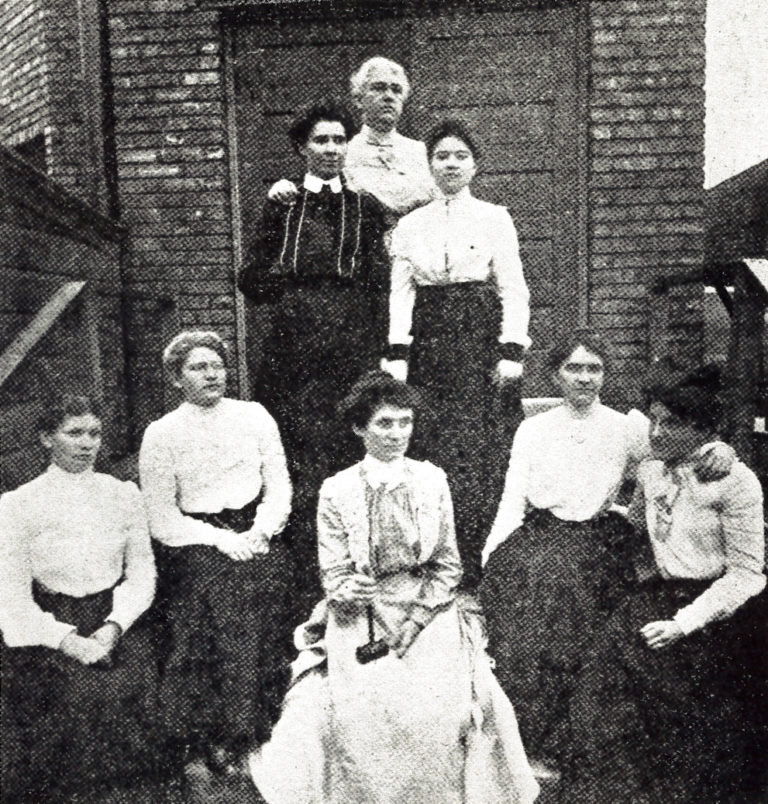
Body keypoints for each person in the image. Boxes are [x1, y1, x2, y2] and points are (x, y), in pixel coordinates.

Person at [249, 371, 539, 804]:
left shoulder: (431, 480)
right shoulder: (336, 490)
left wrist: (418, 621)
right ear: (359, 428)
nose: (397, 433)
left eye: (405, 422)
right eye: (385, 423)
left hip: (427, 607)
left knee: (439, 714)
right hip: (360, 615)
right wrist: (345, 592)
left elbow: (447, 566)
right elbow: (333, 572)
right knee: (359, 715)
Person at [479, 333, 736, 765]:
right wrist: (492, 554)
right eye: (573, 368)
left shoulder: (627, 426)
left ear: (605, 374)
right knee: (526, 609)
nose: (584, 378)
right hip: (540, 536)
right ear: (555, 374)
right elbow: (512, 500)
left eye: (593, 368)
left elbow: (675, 456)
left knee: (577, 613)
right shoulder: (533, 428)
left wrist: (720, 449)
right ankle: (527, 737)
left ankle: (574, 737)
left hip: (598, 539)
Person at [561, 363, 766, 803]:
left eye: (671, 424)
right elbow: (638, 522)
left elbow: (748, 574)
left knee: (690, 713)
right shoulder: (653, 470)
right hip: (659, 595)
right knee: (600, 674)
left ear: (704, 431)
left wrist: (684, 623)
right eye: (653, 419)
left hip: (719, 610)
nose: (656, 432)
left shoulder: (734, 480)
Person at [239, 100, 388, 603]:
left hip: (350, 339)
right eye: (320, 141)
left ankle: (356, 568)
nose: (330, 149)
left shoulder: (365, 206)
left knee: (349, 442)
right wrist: (288, 280)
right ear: (303, 148)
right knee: (298, 446)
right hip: (296, 342)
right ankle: (305, 575)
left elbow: (378, 281)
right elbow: (252, 280)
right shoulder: (282, 203)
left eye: (339, 140)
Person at [382, 119, 530, 587]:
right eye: (442, 156)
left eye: (460, 156)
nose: (451, 164)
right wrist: (398, 357)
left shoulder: (494, 217)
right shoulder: (410, 225)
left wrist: (511, 351)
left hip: (478, 338)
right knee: (435, 444)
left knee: (481, 447)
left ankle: (478, 559)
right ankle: (434, 557)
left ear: (474, 164)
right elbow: (400, 295)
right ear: (429, 165)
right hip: (430, 341)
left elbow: (514, 289)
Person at [138, 330, 293, 775]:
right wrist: (224, 540)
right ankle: (216, 739)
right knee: (210, 618)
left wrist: (262, 531)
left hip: (257, 534)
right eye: (198, 367)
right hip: (197, 543)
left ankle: (259, 734)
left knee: (266, 610)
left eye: (217, 365)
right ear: (176, 379)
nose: (212, 374)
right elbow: (163, 518)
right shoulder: (161, 433)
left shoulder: (255, 416)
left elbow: (279, 486)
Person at [0, 394, 158, 801]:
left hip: (115, 619)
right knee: (79, 703)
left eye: (94, 433)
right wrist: (73, 643)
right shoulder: (18, 505)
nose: (87, 443)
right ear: (46, 438)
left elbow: (142, 574)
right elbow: (12, 600)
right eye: (74, 433)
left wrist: (111, 629)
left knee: (140, 693)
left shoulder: (123, 494)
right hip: (50, 628)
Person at [268, 57, 435, 223]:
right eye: (379, 88)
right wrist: (282, 189)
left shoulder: (421, 152)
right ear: (358, 99)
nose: (389, 96)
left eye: (396, 90)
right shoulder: (341, 150)